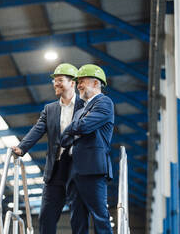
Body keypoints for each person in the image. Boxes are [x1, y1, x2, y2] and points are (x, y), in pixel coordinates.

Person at [11, 63, 84, 234]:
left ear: (72, 83)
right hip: (56, 168)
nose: (55, 84)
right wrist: (22, 148)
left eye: (60, 80)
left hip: (77, 167)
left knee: (78, 215)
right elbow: (38, 129)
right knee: (46, 216)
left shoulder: (85, 105)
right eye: (54, 81)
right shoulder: (50, 109)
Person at [60, 64, 114, 234]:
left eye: (82, 81)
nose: (79, 85)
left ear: (96, 83)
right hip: (74, 171)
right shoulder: (79, 111)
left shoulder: (104, 102)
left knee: (99, 216)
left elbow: (83, 127)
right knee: (77, 220)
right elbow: (63, 139)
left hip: (93, 169)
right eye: (78, 82)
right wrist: (73, 128)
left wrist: (71, 128)